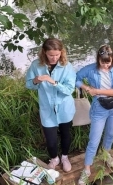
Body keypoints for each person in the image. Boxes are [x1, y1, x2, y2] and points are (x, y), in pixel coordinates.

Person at [76, 45, 113, 184]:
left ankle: (105, 154)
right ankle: (86, 169)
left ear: (112, 59)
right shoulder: (91, 69)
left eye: (108, 62)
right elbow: (76, 77)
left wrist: (96, 91)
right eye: (102, 62)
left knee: (110, 134)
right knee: (94, 140)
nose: (105, 65)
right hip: (99, 108)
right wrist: (86, 87)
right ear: (98, 59)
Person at [25, 38, 76, 172]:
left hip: (64, 107)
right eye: (51, 55)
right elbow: (29, 84)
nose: (54, 58)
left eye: (57, 55)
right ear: (44, 52)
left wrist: (53, 82)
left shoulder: (67, 66)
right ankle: (54, 158)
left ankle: (65, 157)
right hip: (47, 108)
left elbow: (69, 90)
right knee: (51, 139)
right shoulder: (36, 65)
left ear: (61, 52)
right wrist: (36, 80)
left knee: (66, 134)